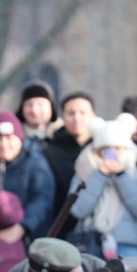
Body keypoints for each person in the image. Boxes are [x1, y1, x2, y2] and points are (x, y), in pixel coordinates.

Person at [68, 113, 137, 258]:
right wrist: (99, 175)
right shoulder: (84, 170)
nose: (112, 153)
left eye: (117, 148)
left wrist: (121, 176)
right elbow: (77, 210)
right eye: (106, 148)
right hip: (89, 242)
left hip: (127, 243)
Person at [0, 111, 56, 241]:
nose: (4, 144)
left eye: (9, 138)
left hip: (29, 240)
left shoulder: (35, 162)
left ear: (20, 139)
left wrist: (23, 227)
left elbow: (43, 199)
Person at [43, 92, 96, 237]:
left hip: (99, 229)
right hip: (60, 230)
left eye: (83, 113)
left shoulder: (102, 149)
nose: (77, 118)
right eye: (71, 113)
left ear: (93, 116)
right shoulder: (49, 151)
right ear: (63, 117)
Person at [15, 80, 60, 149]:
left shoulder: (65, 134)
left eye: (40, 104)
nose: (34, 110)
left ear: (51, 107)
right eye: (29, 105)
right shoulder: (14, 138)